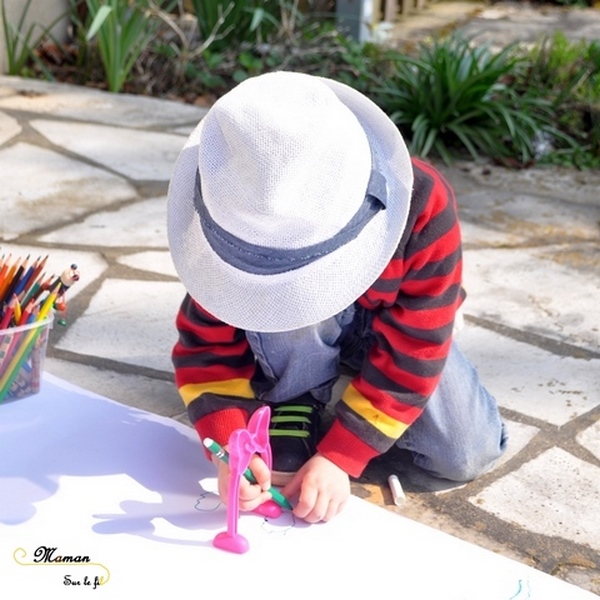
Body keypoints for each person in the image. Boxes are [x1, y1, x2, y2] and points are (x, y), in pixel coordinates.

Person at [167, 71, 507, 524]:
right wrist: (228, 445)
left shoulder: (422, 202)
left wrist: (342, 456)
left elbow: (418, 343)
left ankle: (336, 384)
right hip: (293, 335)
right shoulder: (233, 228)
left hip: (395, 320)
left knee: (465, 453)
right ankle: (297, 394)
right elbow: (205, 346)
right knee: (285, 316)